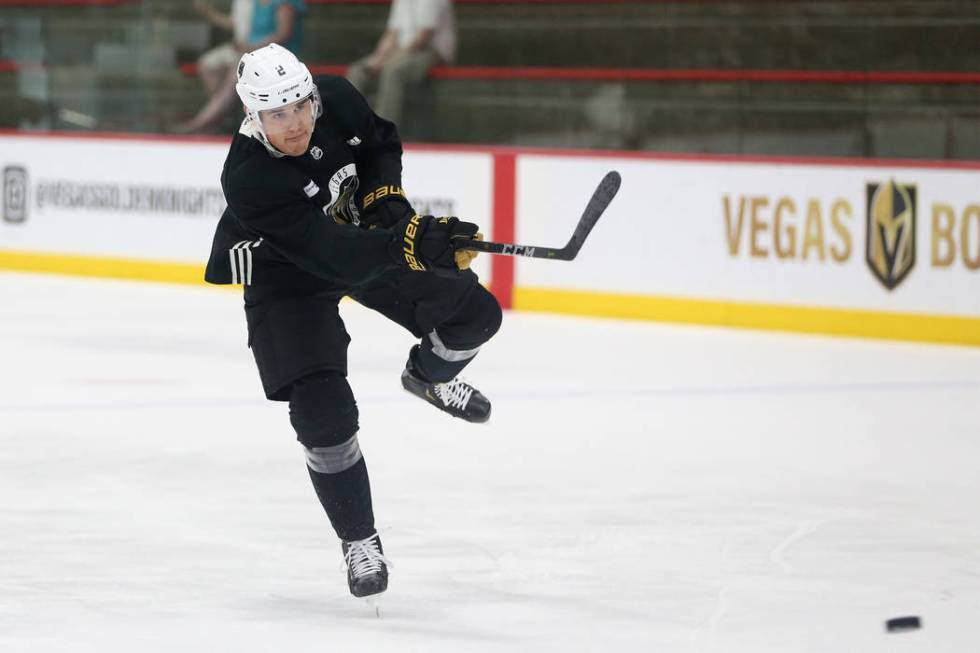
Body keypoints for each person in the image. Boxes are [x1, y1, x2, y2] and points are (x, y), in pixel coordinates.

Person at [204, 44, 501, 599]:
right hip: (285, 271)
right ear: (252, 117)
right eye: (277, 115)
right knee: (321, 412)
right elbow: (327, 255)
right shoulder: (248, 178)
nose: (295, 124)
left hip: (360, 239)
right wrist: (408, 244)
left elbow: (379, 144)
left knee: (476, 315)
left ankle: (429, 377)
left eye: (300, 107)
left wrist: (389, 207)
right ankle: (358, 538)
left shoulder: (337, 98)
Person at [177, 0, 307, 134]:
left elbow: (283, 34)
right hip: (249, 52)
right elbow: (236, 24)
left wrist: (249, 48)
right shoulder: (255, 3)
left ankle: (202, 123)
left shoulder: (285, 3)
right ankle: (223, 116)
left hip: (273, 57)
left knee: (234, 78)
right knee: (211, 67)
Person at [346, 0, 455, 126]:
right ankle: (349, 128)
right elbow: (392, 34)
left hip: (429, 51)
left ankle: (382, 131)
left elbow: (423, 37)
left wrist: (390, 59)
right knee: (358, 70)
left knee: (393, 70)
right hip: (401, 50)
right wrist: (379, 56)